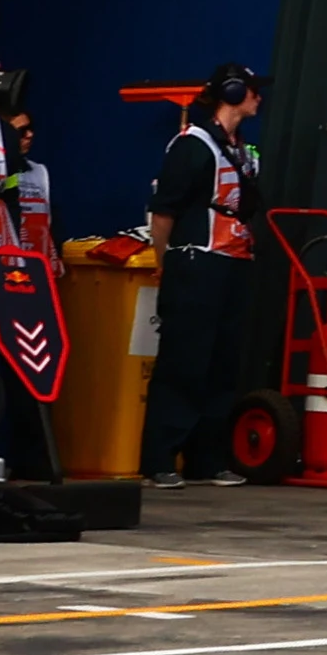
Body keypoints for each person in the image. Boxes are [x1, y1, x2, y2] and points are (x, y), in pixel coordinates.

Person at [136, 68, 261, 484]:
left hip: (234, 262)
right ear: (233, 92)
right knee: (184, 361)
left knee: (222, 364)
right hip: (197, 261)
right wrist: (163, 259)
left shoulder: (242, 150)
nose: (259, 98)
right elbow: (164, 210)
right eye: (253, 90)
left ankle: (206, 458)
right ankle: (159, 458)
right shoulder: (192, 145)